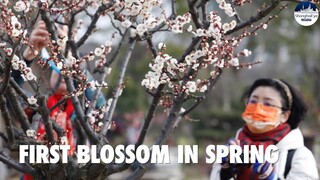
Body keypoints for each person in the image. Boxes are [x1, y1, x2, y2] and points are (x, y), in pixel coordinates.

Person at [210, 78, 319, 180]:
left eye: (268, 104)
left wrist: (271, 176)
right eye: (253, 101)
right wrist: (225, 170)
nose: (258, 108)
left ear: (284, 116)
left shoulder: (299, 156)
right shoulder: (234, 147)